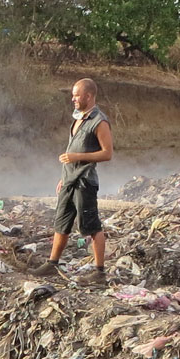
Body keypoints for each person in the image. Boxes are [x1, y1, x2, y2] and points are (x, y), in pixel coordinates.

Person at [45, 78, 114, 282]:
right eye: (73, 95)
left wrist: (77, 158)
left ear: (88, 96)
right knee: (62, 222)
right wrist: (63, 176)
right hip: (69, 179)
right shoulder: (78, 118)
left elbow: (107, 153)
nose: (73, 99)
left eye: (76, 95)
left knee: (91, 225)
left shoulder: (99, 122)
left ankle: (99, 271)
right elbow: (72, 149)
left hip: (85, 181)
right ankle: (52, 264)